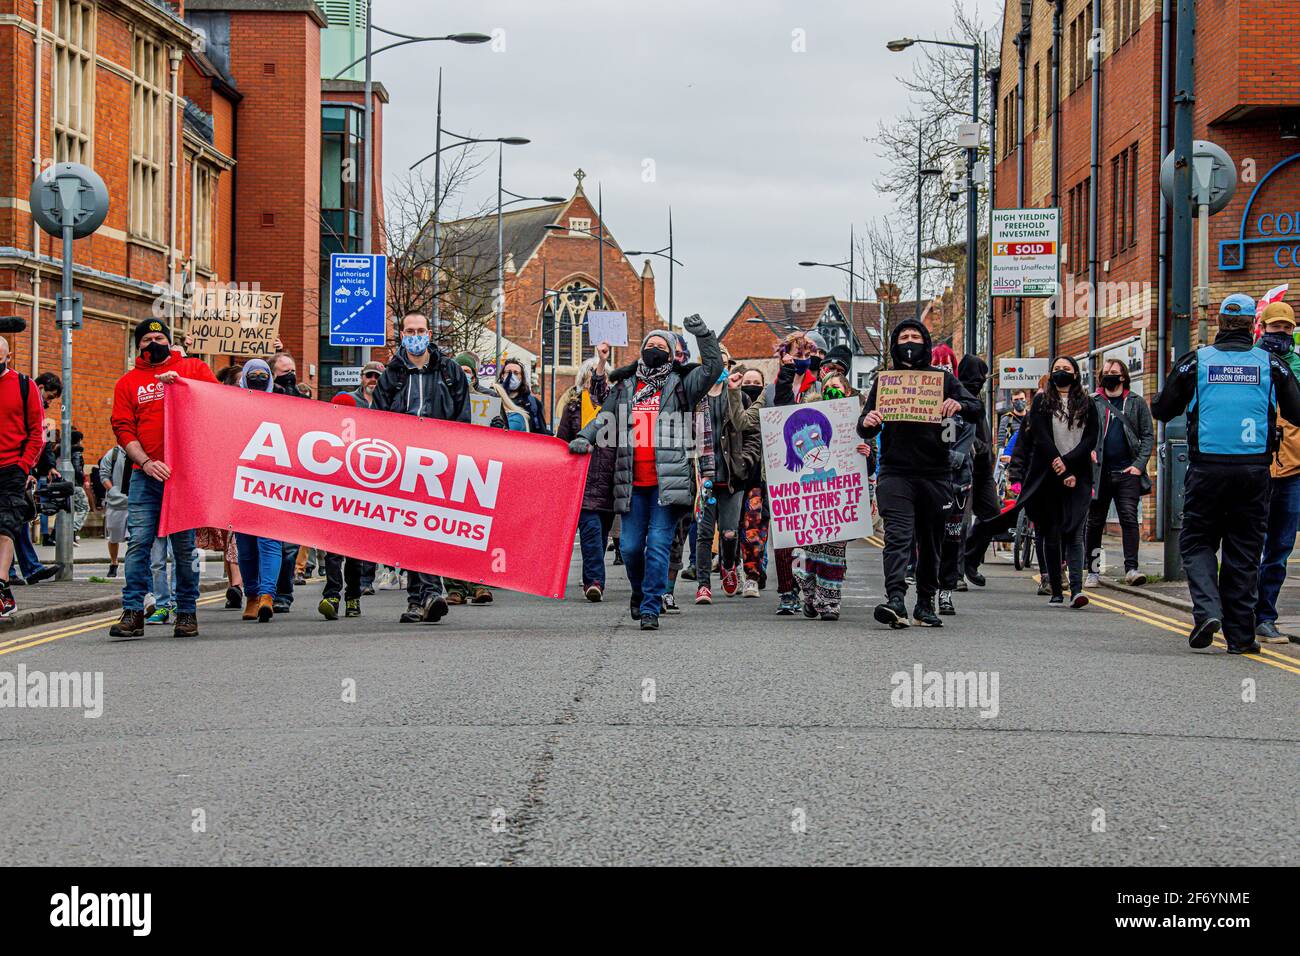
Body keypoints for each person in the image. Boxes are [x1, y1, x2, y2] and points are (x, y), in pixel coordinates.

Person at [1153, 293, 1300, 655]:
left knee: (1198, 541)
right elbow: (1298, 411)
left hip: (1206, 469)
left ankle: (1207, 611)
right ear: (1253, 326)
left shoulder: (1196, 362)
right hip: (1255, 471)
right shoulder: (1273, 365)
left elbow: (1162, 409)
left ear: (1219, 323)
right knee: (1245, 551)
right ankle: (1241, 637)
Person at [568, 314, 723, 630]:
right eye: (649, 344)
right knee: (630, 548)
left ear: (670, 352)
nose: (654, 348)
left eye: (660, 345)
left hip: (669, 483)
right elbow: (603, 417)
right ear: (641, 351)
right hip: (632, 483)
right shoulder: (625, 386)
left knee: (659, 544)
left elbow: (712, 369)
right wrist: (585, 436)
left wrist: (703, 335)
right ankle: (639, 592)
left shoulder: (681, 385)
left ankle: (651, 607)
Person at [858, 319, 981, 628]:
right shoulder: (885, 382)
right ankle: (896, 599)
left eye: (915, 336)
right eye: (903, 337)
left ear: (925, 343)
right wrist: (869, 421)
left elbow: (975, 407)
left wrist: (958, 403)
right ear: (894, 344)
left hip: (935, 473)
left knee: (930, 541)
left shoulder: (942, 380)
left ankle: (925, 603)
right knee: (897, 537)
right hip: (896, 471)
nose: (909, 342)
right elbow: (863, 425)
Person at [107, 318, 217, 639]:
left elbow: (217, 403)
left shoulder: (193, 369)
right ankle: (133, 611)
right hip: (146, 476)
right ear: (138, 345)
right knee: (139, 544)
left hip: (184, 477)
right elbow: (123, 428)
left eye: (160, 337)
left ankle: (186, 612)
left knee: (184, 549)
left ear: (170, 341)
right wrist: (146, 461)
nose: (154, 342)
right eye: (147, 339)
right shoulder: (127, 383)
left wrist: (183, 383)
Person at [967, 357, 1098, 608]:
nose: (1061, 373)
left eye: (1066, 369)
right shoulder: (1041, 401)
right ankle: (1056, 590)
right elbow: (1041, 436)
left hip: (1078, 476)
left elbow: (1091, 438)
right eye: (1057, 369)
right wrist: (1059, 466)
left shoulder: (1087, 403)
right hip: (1048, 476)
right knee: (1051, 532)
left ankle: (1078, 590)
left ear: (1076, 374)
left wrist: (1069, 465)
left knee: (1075, 533)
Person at [375, 311, 470, 624]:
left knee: (430, 528)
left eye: (420, 330)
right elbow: (377, 418)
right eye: (409, 330)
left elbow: (462, 418)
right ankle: (424, 596)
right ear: (402, 335)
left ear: (429, 333)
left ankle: (423, 596)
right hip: (403, 462)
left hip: (439, 461)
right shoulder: (392, 373)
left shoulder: (450, 371)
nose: (415, 335)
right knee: (412, 529)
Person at [777, 364, 861, 620]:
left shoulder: (857, 420)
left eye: (836, 388)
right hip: (808, 501)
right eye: (827, 389)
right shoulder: (807, 414)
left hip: (838, 501)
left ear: (847, 390)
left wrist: (867, 455)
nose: (831, 391)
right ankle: (810, 594)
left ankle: (829, 603)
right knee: (806, 555)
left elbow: (867, 461)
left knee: (833, 553)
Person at [692, 352, 761, 604]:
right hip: (705, 477)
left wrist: (745, 461)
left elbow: (752, 434)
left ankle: (729, 565)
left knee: (730, 533)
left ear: (729, 366)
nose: (719, 366)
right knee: (704, 533)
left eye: (723, 362)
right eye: (713, 362)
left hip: (733, 478)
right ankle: (703, 586)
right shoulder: (696, 398)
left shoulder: (738, 396)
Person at [1085, 357, 1154, 588]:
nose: (1109, 375)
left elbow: (1147, 436)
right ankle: (1093, 571)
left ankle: (1131, 569)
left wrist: (1139, 465)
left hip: (1128, 472)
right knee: (1095, 522)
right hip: (1099, 472)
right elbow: (1083, 432)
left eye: (1113, 371)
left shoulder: (1136, 402)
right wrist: (1089, 452)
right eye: (1105, 372)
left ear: (1123, 376)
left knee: (1128, 519)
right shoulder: (1093, 401)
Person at [1254, 300, 1300, 644]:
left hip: (1292, 471)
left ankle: (1265, 617)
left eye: (1287, 328)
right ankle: (1240, 613)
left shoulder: (1298, 367)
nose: (1281, 333)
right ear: (1262, 329)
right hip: (1252, 467)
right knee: (1247, 546)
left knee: (1279, 549)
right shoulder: (1250, 363)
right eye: (1275, 327)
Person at [557, 346, 614, 601]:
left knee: (601, 533)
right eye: (591, 375)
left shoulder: (616, 407)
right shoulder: (573, 406)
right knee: (590, 530)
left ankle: (592, 572)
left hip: (611, 479)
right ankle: (594, 582)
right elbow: (562, 442)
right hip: (584, 479)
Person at [229, 360, 281, 623]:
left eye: (264, 374)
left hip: (273, 484)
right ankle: (251, 596)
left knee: (269, 541)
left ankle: (267, 596)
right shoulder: (232, 405)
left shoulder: (282, 405)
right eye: (254, 374)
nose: (259, 378)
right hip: (243, 484)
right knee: (247, 545)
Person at [0, 337, 45, 617]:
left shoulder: (23, 385)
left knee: (4, 527)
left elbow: (37, 433)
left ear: (8, 356)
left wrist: (23, 466)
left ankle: (1, 584)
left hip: (11, 469)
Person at [736, 367, 769, 597]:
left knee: (755, 532)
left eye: (756, 382)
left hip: (759, 480)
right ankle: (734, 568)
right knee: (732, 531)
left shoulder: (770, 407)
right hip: (737, 479)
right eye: (747, 381)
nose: (752, 385)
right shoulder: (734, 406)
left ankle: (753, 576)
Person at [98, 444, 131, 579]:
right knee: (113, 537)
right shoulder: (113, 454)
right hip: (116, 503)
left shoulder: (140, 452)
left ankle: (131, 565)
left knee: (135, 538)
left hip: (135, 502)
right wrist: (112, 490)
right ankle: (114, 562)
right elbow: (104, 475)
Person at [497, 358, 549, 434]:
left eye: (516, 373)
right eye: (508, 372)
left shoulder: (532, 403)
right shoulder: (494, 399)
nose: (511, 376)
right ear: (502, 375)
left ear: (522, 377)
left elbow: (541, 432)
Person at [999, 389, 1029, 455]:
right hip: (1013, 458)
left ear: (1025, 399)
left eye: (1021, 399)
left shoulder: (1032, 417)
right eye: (1016, 400)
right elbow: (1001, 444)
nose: (1019, 402)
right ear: (1012, 402)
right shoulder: (1007, 419)